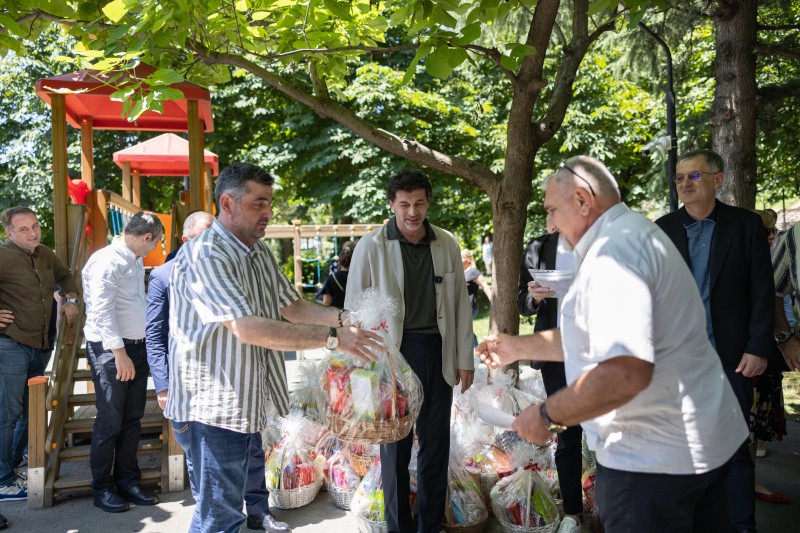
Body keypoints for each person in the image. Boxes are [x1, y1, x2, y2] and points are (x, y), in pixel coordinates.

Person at [478, 155, 747, 533]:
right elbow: (595, 337)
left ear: (584, 200)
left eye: (553, 210)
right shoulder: (629, 234)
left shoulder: (613, 253)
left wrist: (546, 416)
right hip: (689, 447)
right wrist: (518, 347)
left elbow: (624, 371)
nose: (551, 223)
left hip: (654, 462)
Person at [166, 162, 383, 533]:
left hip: (243, 403)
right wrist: (332, 339)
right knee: (219, 517)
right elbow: (247, 328)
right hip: (211, 411)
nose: (269, 213)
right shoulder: (207, 254)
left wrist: (344, 318)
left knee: (226, 512)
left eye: (270, 203)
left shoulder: (257, 251)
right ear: (228, 203)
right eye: (259, 204)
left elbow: (292, 307)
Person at [345, 168, 474, 533]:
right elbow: (353, 310)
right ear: (392, 205)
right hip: (390, 359)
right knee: (394, 450)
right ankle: (398, 527)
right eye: (404, 204)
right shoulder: (371, 246)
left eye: (419, 203)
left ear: (428, 203)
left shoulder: (446, 243)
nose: (412, 212)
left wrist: (466, 359)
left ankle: (429, 525)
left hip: (437, 351)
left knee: (436, 446)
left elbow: (461, 306)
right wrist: (360, 370)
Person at [655, 149, 773, 533]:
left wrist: (758, 347)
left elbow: (761, 290)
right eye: (679, 178)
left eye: (694, 176)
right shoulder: (662, 229)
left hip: (731, 358)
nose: (684, 184)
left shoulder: (744, 225)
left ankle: (741, 527)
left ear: (718, 180)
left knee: (735, 450)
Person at [82, 211, 164, 513]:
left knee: (132, 420)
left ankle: (128, 481)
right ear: (146, 237)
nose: (154, 248)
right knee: (110, 421)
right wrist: (119, 354)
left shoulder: (134, 257)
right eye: (154, 243)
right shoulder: (108, 260)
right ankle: (102, 488)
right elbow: (101, 311)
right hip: (112, 351)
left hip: (136, 348)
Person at [0, 207, 80, 509]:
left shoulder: (45, 253)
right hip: (10, 343)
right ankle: (3, 481)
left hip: (41, 344)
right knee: (7, 413)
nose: (33, 233)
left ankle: (12, 465)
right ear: (9, 233)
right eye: (24, 229)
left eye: (35, 226)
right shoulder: (2, 256)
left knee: (28, 412)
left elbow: (66, 277)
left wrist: (71, 299)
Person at [516, 230, 582, 533]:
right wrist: (533, 297)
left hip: (598, 352)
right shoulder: (539, 247)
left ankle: (613, 506)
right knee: (566, 433)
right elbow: (523, 301)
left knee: (607, 433)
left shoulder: (603, 239)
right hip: (555, 356)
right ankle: (572, 512)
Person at [461, 249, 491, 348]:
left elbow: (485, 286)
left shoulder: (473, 272)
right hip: (461, 309)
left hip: (469, 308)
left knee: (465, 330)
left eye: (461, 258)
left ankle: (477, 350)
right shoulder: (462, 272)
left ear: (468, 260)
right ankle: (476, 350)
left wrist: (493, 301)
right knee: (464, 330)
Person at [320, 241, 354, 308]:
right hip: (354, 314)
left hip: (337, 314)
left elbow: (326, 302)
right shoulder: (360, 277)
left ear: (340, 261)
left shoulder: (332, 278)